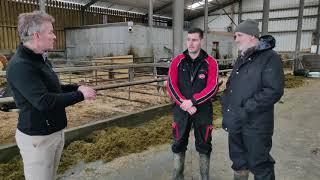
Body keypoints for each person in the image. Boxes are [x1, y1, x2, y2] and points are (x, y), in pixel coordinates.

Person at [6, 11, 96, 180]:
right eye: (51, 32)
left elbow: (54, 88)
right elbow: (44, 101)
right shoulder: (21, 66)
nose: (54, 36)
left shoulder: (40, 59)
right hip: (38, 139)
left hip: (53, 132)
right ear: (37, 35)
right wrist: (80, 95)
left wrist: (77, 87)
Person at [221, 19, 284, 180]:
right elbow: (231, 85)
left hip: (256, 125)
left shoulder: (270, 58)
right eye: (235, 36)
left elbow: (273, 91)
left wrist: (246, 108)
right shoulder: (242, 57)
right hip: (236, 121)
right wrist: (226, 105)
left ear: (251, 36)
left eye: (239, 35)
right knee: (238, 161)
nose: (236, 40)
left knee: (259, 164)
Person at [166, 28, 219, 180]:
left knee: (204, 145)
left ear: (201, 41)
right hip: (181, 109)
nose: (191, 43)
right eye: (188, 39)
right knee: (178, 143)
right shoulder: (177, 61)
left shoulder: (210, 62)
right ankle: (177, 176)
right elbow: (171, 85)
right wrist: (184, 103)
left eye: (194, 40)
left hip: (202, 110)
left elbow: (212, 87)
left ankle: (204, 177)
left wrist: (193, 101)